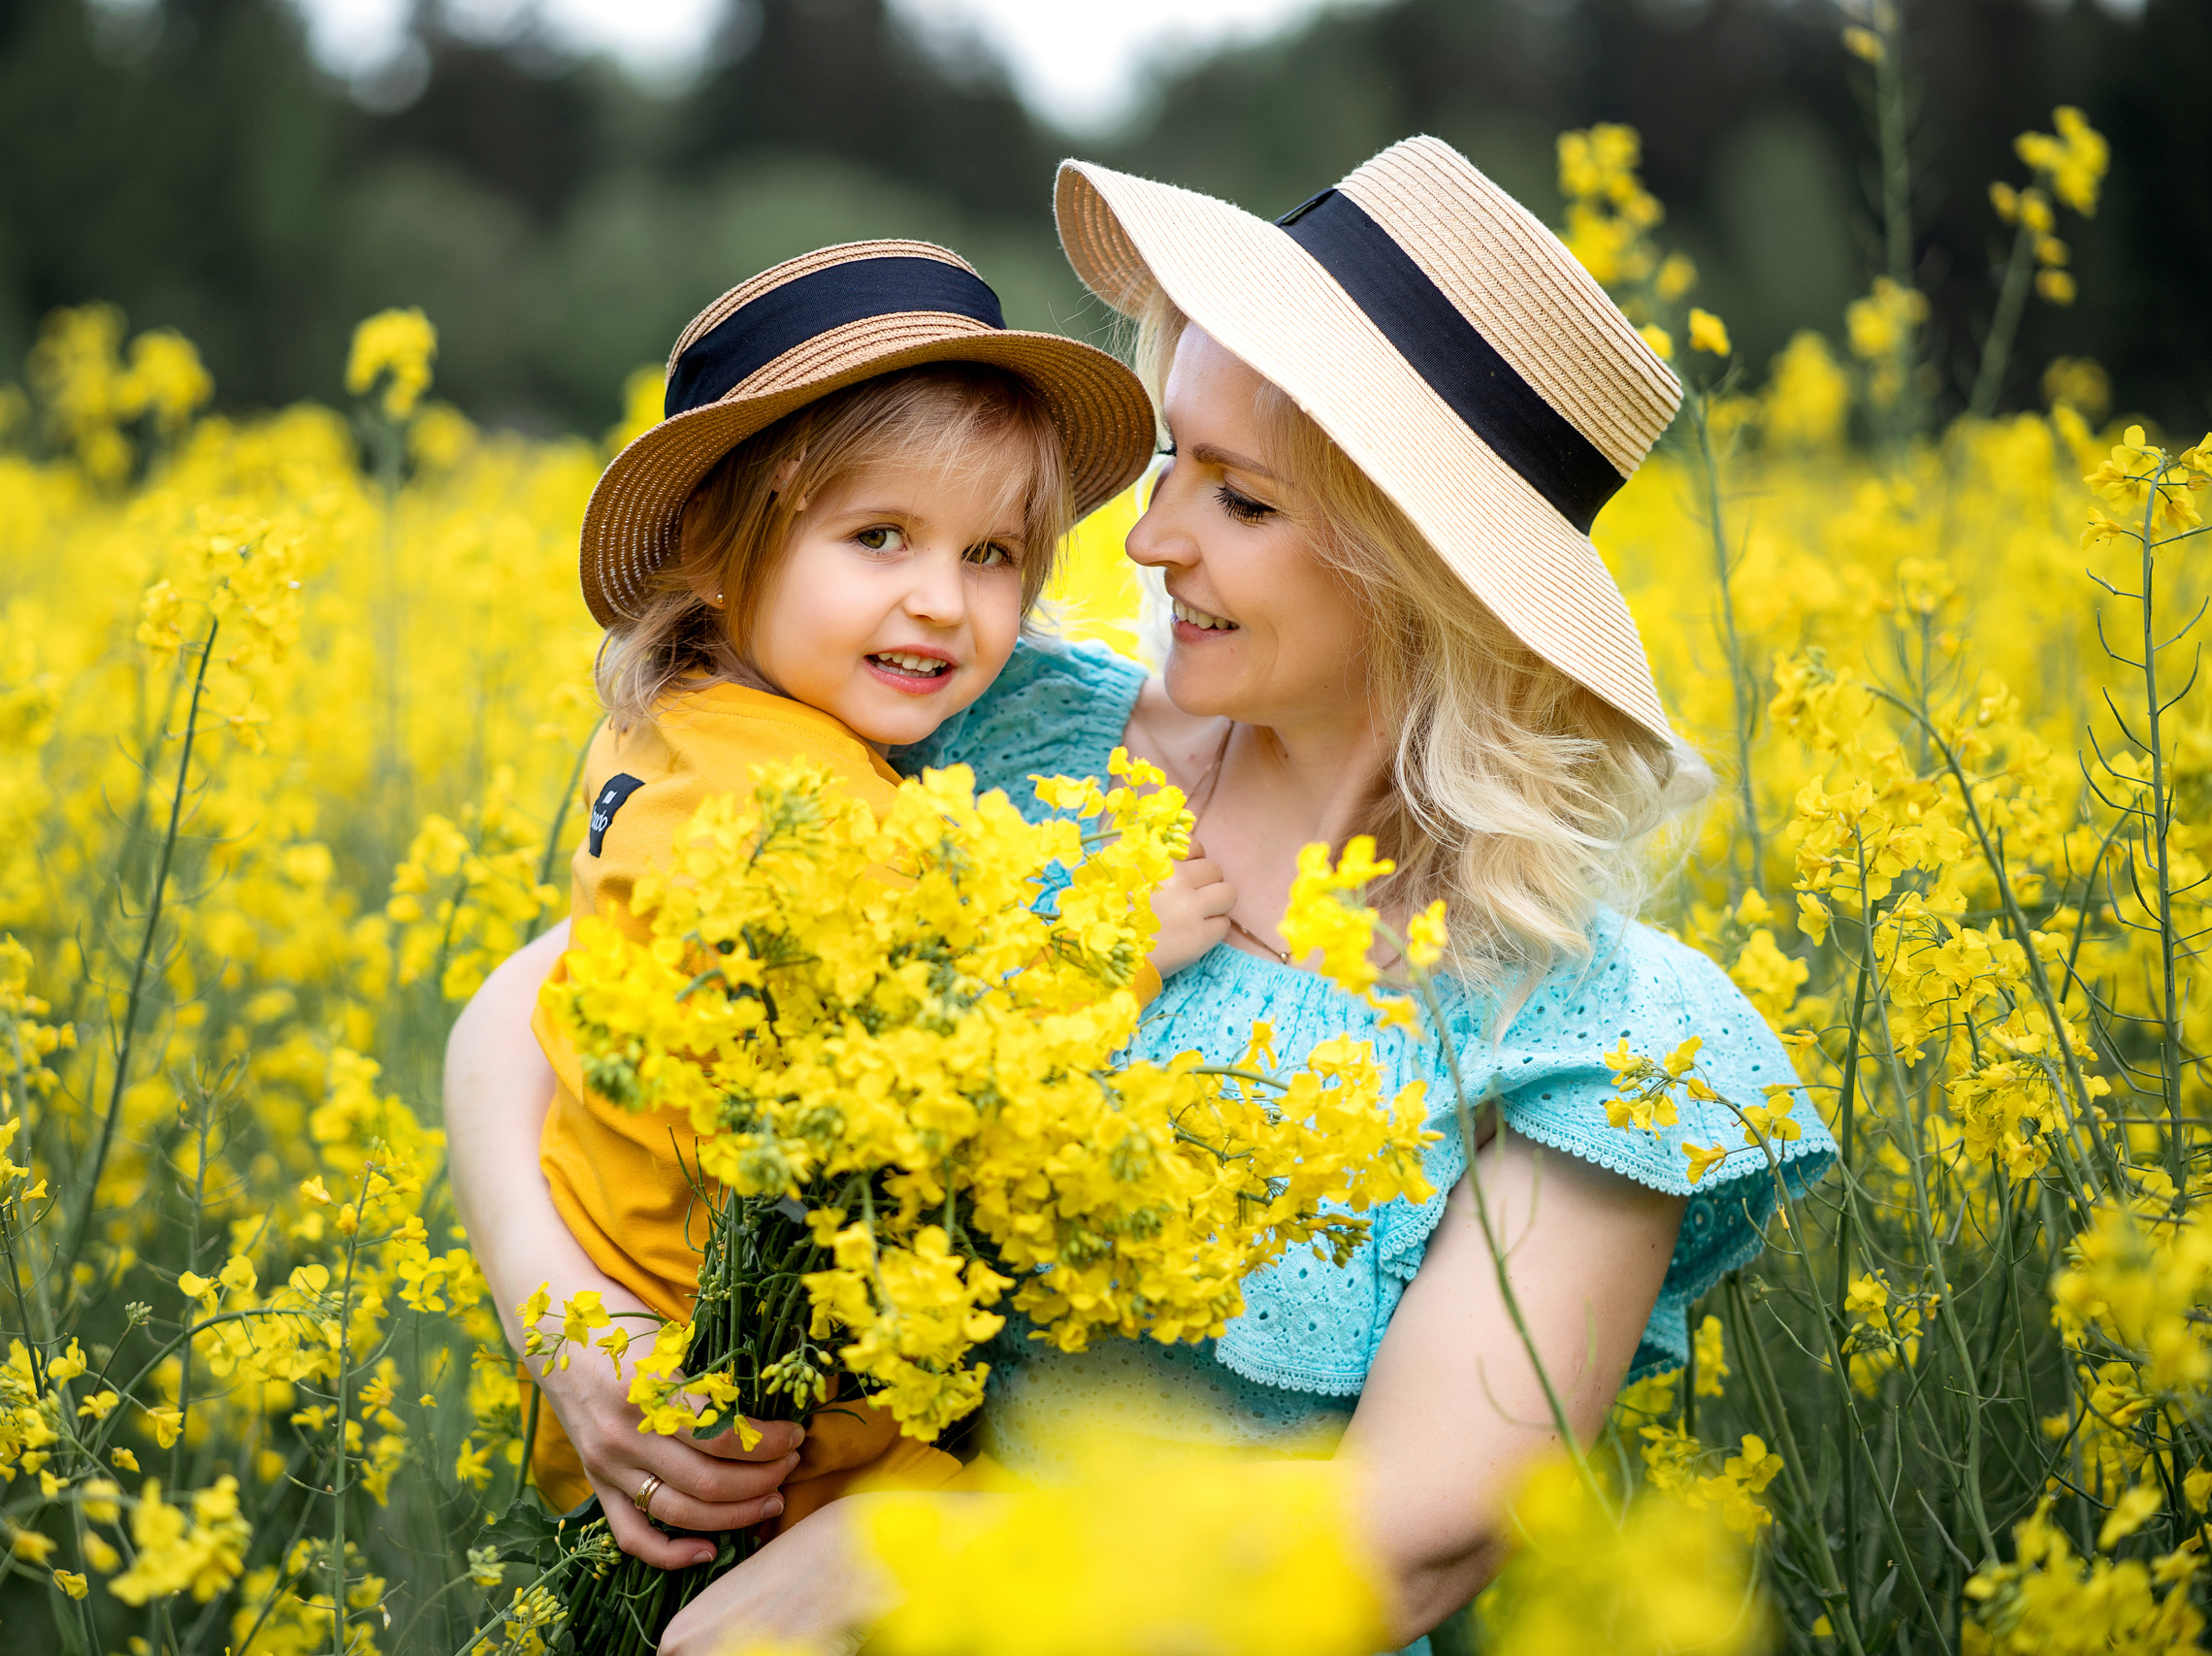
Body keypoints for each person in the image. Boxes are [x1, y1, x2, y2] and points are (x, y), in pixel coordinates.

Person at [448, 142, 1837, 1650]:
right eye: (1174, 456)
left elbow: (1419, 1539)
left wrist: (912, 1568)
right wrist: (583, 1344)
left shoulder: (1596, 1033)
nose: (1150, 533)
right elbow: (544, 1004)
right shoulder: (995, 729)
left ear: (1419, 571)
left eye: (1240, 500)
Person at [504, 238, 1244, 1568]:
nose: (941, 603)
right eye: (878, 537)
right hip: (765, 1425)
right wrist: (1118, 947)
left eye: (994, 554)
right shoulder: (808, 818)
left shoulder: (680, 731)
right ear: (722, 552)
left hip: (637, 1354)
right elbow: (928, 1070)